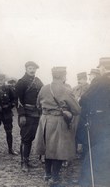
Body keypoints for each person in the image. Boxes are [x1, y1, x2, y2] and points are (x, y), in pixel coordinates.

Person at [34, 67, 81, 185]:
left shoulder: (44, 88)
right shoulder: (66, 89)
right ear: (63, 76)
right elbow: (76, 110)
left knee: (48, 148)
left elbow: (37, 105)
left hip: (44, 120)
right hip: (58, 121)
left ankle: (47, 175)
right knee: (58, 150)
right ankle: (54, 178)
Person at [78, 57, 110, 186]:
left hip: (99, 120)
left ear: (102, 67)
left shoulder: (99, 80)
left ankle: (89, 180)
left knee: (93, 150)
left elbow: (84, 99)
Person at [15, 61, 43, 172]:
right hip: (26, 114)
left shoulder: (38, 81)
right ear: (26, 69)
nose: (32, 70)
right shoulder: (21, 82)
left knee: (32, 138)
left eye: (34, 68)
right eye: (30, 68)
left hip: (37, 114)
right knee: (26, 138)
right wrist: (21, 115)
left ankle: (28, 160)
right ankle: (24, 163)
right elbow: (17, 101)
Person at [0, 74, 18, 155]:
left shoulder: (9, 89)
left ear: (4, 80)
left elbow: (14, 100)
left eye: (1, 80)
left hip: (7, 113)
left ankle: (10, 149)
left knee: (9, 132)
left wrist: (9, 106)